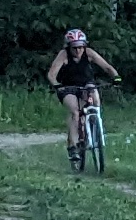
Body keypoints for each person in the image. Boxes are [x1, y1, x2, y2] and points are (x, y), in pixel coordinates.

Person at [44, 22, 120, 152]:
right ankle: (73, 145)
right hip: (67, 87)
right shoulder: (63, 55)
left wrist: (116, 76)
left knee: (95, 98)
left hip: (86, 84)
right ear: (69, 47)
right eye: (74, 48)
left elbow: (107, 67)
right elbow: (52, 74)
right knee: (75, 111)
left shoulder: (89, 53)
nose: (78, 50)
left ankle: (95, 122)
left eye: (81, 47)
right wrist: (57, 85)